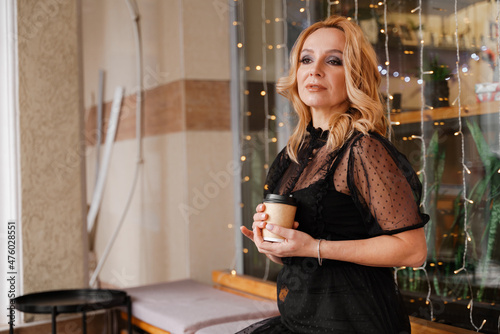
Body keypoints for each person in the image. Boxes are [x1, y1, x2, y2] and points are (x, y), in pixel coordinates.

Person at [239, 15, 429, 334]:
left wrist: (315, 247)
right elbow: (291, 256)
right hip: (298, 321)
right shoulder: (292, 157)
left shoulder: (364, 149)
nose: (315, 70)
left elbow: (413, 250)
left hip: (355, 323)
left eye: (333, 61)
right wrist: (273, 246)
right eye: (306, 59)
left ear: (354, 75)